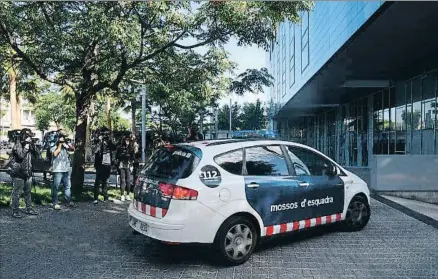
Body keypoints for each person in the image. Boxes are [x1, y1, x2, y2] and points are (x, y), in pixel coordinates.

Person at [9, 129, 39, 218]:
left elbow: (37, 155)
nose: (29, 138)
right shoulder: (18, 144)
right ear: (23, 136)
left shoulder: (29, 144)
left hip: (28, 172)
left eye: (30, 136)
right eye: (28, 136)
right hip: (18, 172)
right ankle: (15, 211)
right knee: (17, 193)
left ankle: (29, 208)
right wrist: (26, 146)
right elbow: (21, 155)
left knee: (28, 192)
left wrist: (33, 145)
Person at [51, 131, 76, 210]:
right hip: (57, 169)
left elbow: (72, 149)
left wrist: (67, 143)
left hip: (66, 169)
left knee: (68, 186)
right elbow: (55, 153)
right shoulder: (53, 145)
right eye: (61, 138)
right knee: (56, 187)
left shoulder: (65, 145)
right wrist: (60, 144)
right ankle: (55, 203)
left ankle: (68, 201)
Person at [93, 127, 115, 205]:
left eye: (107, 134)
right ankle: (95, 198)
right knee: (98, 182)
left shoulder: (109, 141)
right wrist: (100, 141)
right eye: (105, 133)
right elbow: (95, 151)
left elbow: (114, 148)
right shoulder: (97, 141)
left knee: (105, 181)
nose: (106, 135)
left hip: (107, 164)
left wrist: (109, 140)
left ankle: (105, 196)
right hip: (100, 164)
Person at [116, 135, 133, 202]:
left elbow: (133, 156)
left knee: (128, 180)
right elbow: (117, 156)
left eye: (128, 140)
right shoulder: (120, 148)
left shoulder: (130, 148)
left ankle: (128, 194)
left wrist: (129, 157)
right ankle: (122, 195)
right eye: (126, 140)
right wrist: (123, 155)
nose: (127, 141)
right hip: (122, 165)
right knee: (122, 180)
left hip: (128, 165)